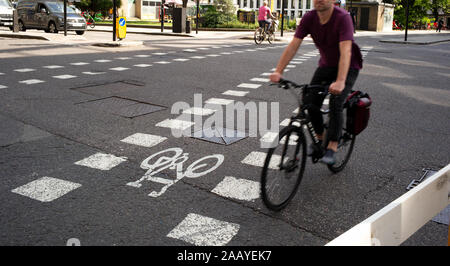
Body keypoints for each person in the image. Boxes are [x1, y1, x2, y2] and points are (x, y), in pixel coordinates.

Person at [269, 0, 363, 165]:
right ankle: (320, 139)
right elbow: (293, 45)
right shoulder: (309, 18)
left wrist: (340, 81)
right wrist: (279, 71)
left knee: (336, 102)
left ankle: (332, 146)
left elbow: (346, 51)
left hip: (348, 66)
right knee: (310, 103)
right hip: (326, 65)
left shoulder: (343, 18)